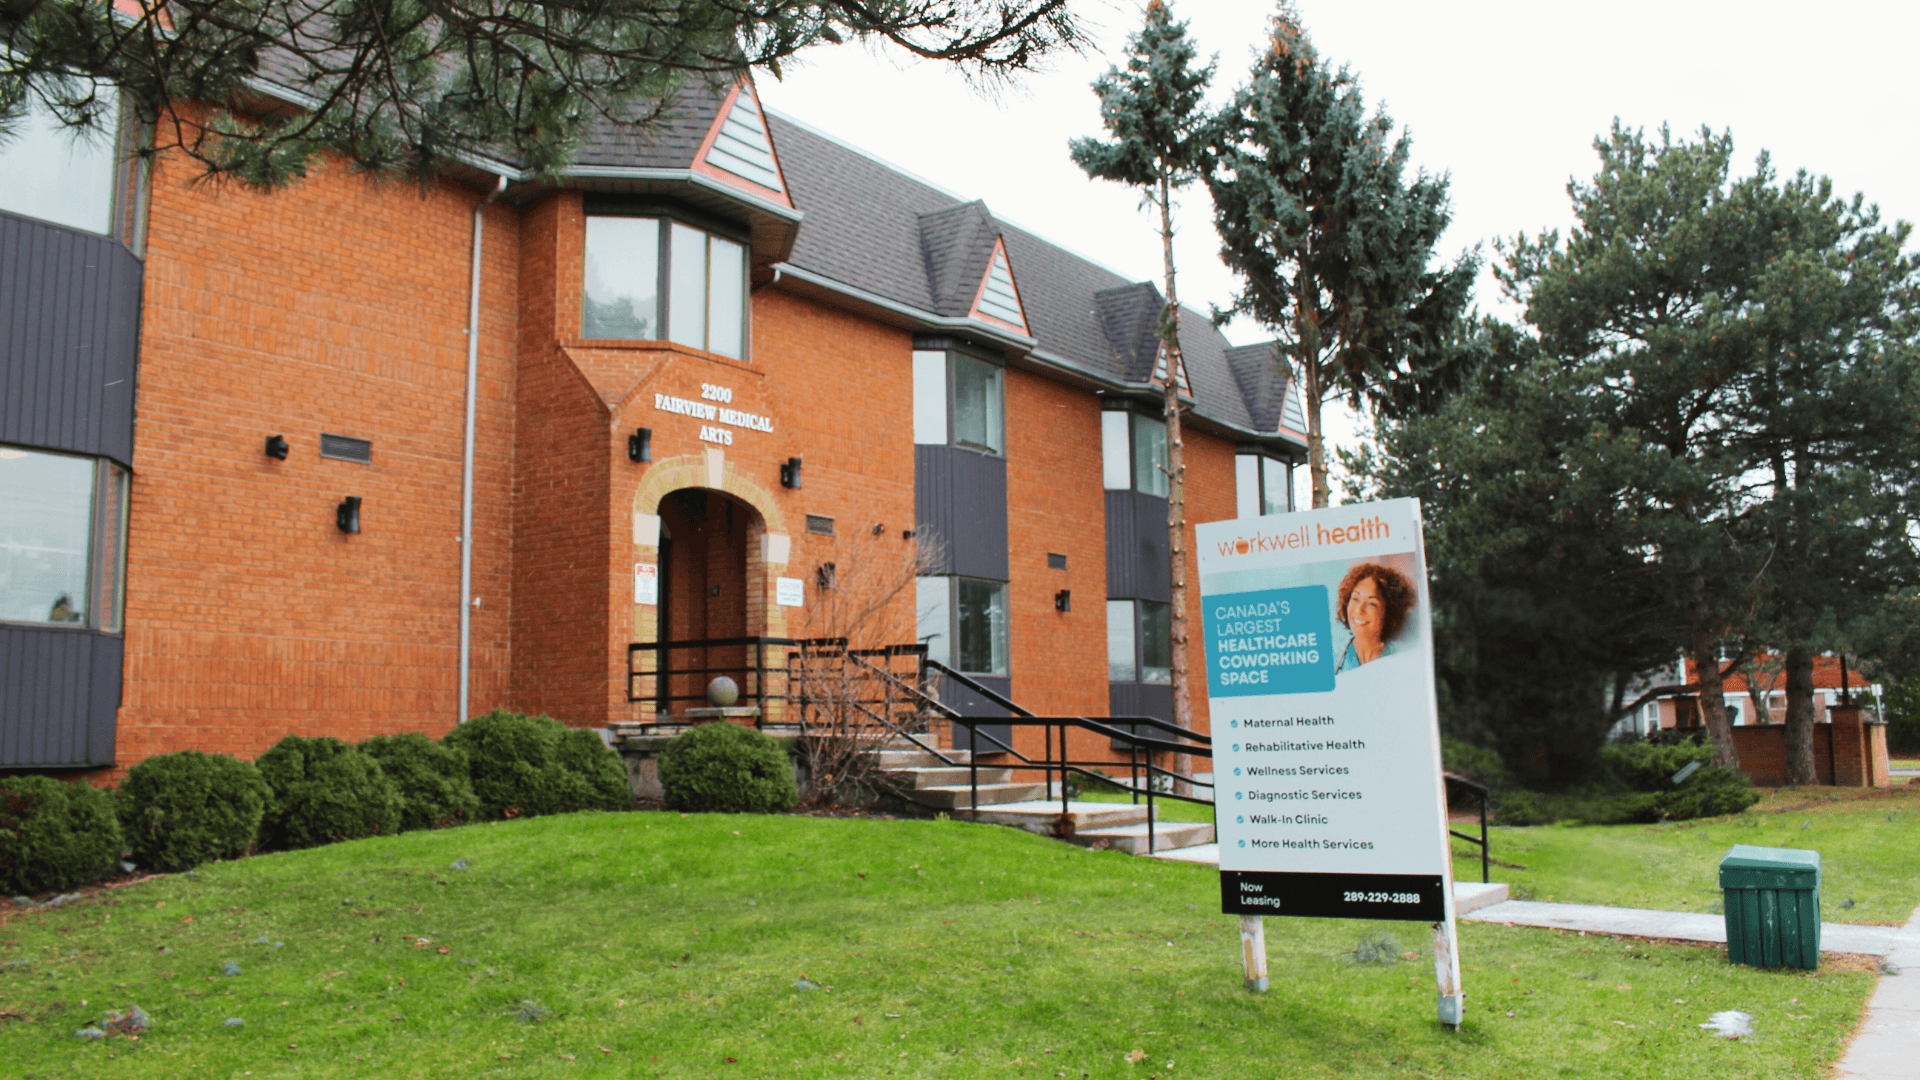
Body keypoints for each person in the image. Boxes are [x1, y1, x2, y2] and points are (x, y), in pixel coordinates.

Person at [1334, 563, 1416, 674]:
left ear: (1388, 612)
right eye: (1356, 599)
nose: (1359, 610)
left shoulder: (1402, 660)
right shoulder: (1331, 659)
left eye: (1371, 604)